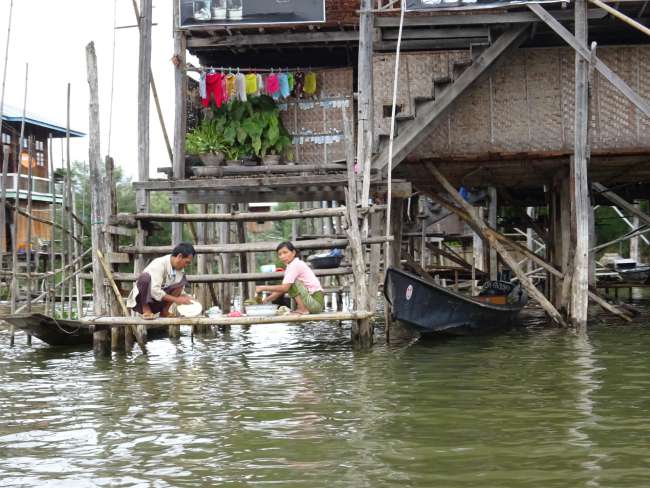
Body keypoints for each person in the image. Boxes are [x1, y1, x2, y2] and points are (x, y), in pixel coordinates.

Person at [126, 242, 196, 319]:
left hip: (158, 302)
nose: (186, 265)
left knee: (182, 281)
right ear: (179, 256)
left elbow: (178, 290)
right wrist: (176, 299)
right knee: (144, 278)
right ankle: (146, 310)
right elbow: (154, 290)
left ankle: (164, 311)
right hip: (142, 302)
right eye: (187, 262)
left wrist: (187, 297)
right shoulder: (159, 264)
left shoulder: (179, 269)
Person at [255, 241, 324, 315]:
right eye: (280, 254)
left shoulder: (295, 265)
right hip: (313, 304)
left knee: (291, 283)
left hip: (315, 303)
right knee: (289, 283)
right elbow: (283, 289)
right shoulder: (291, 266)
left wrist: (262, 287)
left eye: (285, 252)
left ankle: (303, 309)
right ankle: (302, 308)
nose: (282, 256)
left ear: (293, 253)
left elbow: (284, 288)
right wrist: (267, 300)